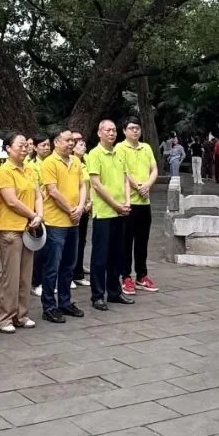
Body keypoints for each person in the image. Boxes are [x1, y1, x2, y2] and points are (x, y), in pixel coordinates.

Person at [0, 133, 42, 333]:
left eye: (26, 145)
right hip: (10, 229)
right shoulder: (4, 171)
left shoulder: (30, 169)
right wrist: (32, 215)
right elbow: (11, 200)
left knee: (25, 275)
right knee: (10, 276)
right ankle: (4, 317)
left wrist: (39, 215)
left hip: (29, 228)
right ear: (8, 148)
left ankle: (21, 315)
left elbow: (38, 194)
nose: (24, 149)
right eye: (20, 145)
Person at [85, 119, 134, 311]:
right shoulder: (94, 154)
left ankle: (114, 291)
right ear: (99, 133)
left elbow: (125, 178)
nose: (112, 133)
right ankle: (97, 295)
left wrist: (127, 201)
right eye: (107, 130)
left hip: (120, 212)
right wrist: (116, 205)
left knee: (117, 254)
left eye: (114, 130)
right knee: (100, 256)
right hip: (104, 213)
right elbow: (96, 184)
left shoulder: (119, 153)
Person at [39, 129, 86, 323]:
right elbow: (53, 191)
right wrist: (71, 210)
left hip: (73, 221)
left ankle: (65, 302)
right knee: (52, 266)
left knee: (69, 264)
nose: (70, 143)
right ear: (56, 142)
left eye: (72, 141)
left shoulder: (75, 161)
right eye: (67, 140)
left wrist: (81, 207)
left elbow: (83, 185)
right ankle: (49, 305)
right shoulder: (49, 163)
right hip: (55, 222)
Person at [117, 117, 159, 295]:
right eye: (132, 128)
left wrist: (148, 185)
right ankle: (125, 276)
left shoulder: (146, 147)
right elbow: (123, 172)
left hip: (145, 202)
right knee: (126, 241)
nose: (135, 131)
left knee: (143, 241)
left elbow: (154, 169)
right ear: (124, 131)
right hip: (129, 202)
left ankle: (142, 275)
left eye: (138, 128)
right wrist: (138, 187)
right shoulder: (120, 148)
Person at [28, 134, 52, 296]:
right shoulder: (31, 166)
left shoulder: (52, 163)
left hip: (53, 211)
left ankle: (46, 280)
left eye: (48, 145)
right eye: (43, 145)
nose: (46, 147)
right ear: (35, 147)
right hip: (39, 211)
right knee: (39, 250)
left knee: (51, 249)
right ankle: (35, 282)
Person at [71, 133, 90, 288]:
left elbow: (90, 185)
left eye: (84, 144)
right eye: (79, 144)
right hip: (73, 208)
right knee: (73, 242)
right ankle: (71, 273)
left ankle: (78, 271)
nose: (83, 147)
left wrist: (89, 203)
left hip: (86, 207)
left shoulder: (86, 161)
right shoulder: (71, 163)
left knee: (82, 240)